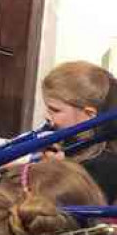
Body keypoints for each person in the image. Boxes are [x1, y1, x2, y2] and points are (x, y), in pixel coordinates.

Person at [40, 61, 117, 203]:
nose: (46, 115)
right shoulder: (72, 141)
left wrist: (55, 170)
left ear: (89, 115)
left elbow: (70, 211)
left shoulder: (105, 164)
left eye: (55, 110)